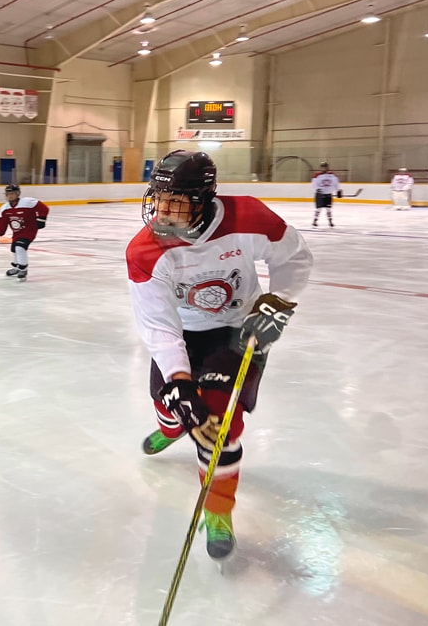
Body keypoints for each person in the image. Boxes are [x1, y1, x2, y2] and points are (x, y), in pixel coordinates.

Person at [126, 150, 312, 562]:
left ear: (205, 199)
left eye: (178, 202)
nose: (164, 211)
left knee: (219, 427)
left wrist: (277, 301)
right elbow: (158, 324)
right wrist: (178, 382)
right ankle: (172, 427)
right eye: (159, 198)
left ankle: (218, 510)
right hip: (183, 332)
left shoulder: (247, 218)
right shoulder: (144, 250)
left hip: (237, 331)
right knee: (170, 402)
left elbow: (294, 258)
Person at [0, 184, 49, 281]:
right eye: (8, 194)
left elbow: (44, 208)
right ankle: (16, 267)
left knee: (20, 247)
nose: (10, 196)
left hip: (30, 230)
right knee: (14, 249)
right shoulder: (4, 208)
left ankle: (23, 268)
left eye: (12, 193)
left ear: (17, 194)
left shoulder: (27, 202)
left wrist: (41, 219)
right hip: (17, 232)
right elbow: (2, 224)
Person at [310, 161, 341, 227]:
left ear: (327, 167)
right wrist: (317, 189)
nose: (323, 169)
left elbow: (336, 183)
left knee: (328, 209)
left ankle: (330, 221)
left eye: (325, 167)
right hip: (320, 195)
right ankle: (315, 221)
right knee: (318, 209)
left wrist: (338, 190)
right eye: (322, 167)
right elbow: (314, 184)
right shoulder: (317, 175)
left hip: (328, 194)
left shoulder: (332, 175)